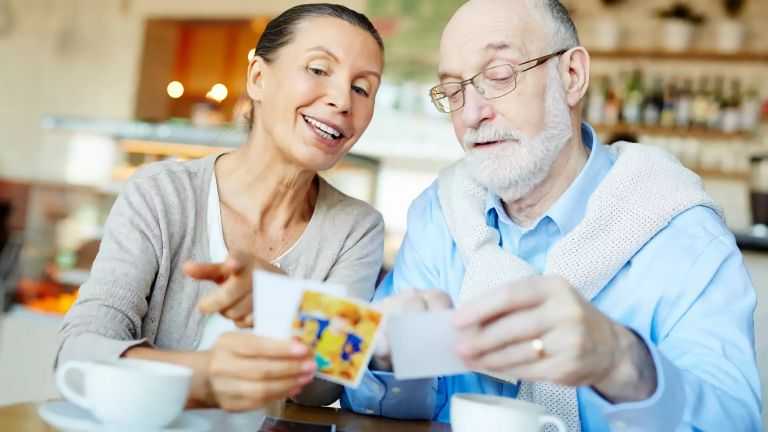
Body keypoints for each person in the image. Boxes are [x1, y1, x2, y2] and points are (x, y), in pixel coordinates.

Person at [341, 0, 762, 430]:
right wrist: (386, 356)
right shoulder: (439, 214)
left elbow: (735, 421)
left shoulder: (681, 232)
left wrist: (622, 361)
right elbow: (367, 397)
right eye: (453, 91)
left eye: (499, 75)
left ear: (572, 77)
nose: (470, 115)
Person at [56, 3, 385, 412]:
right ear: (259, 78)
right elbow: (79, 350)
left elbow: (324, 387)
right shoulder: (160, 194)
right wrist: (203, 376)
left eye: (363, 88)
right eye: (319, 70)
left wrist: (280, 300)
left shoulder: (358, 228)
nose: (341, 100)